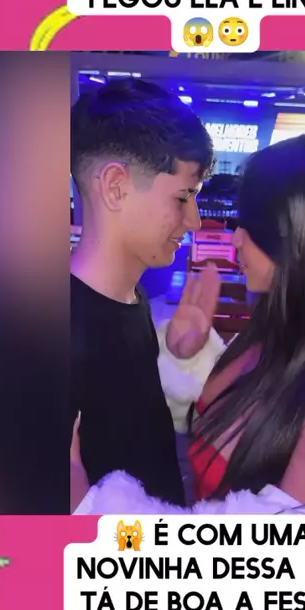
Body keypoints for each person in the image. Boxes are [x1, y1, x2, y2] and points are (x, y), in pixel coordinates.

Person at [72, 128, 305, 516]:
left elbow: (270, 551)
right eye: (183, 197)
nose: (234, 239)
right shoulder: (272, 331)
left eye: (253, 225)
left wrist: (88, 506)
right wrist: (186, 360)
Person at [70, 80, 219, 512]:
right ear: (116, 186)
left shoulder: (133, 302)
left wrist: (178, 359)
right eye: (184, 197)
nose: (194, 220)